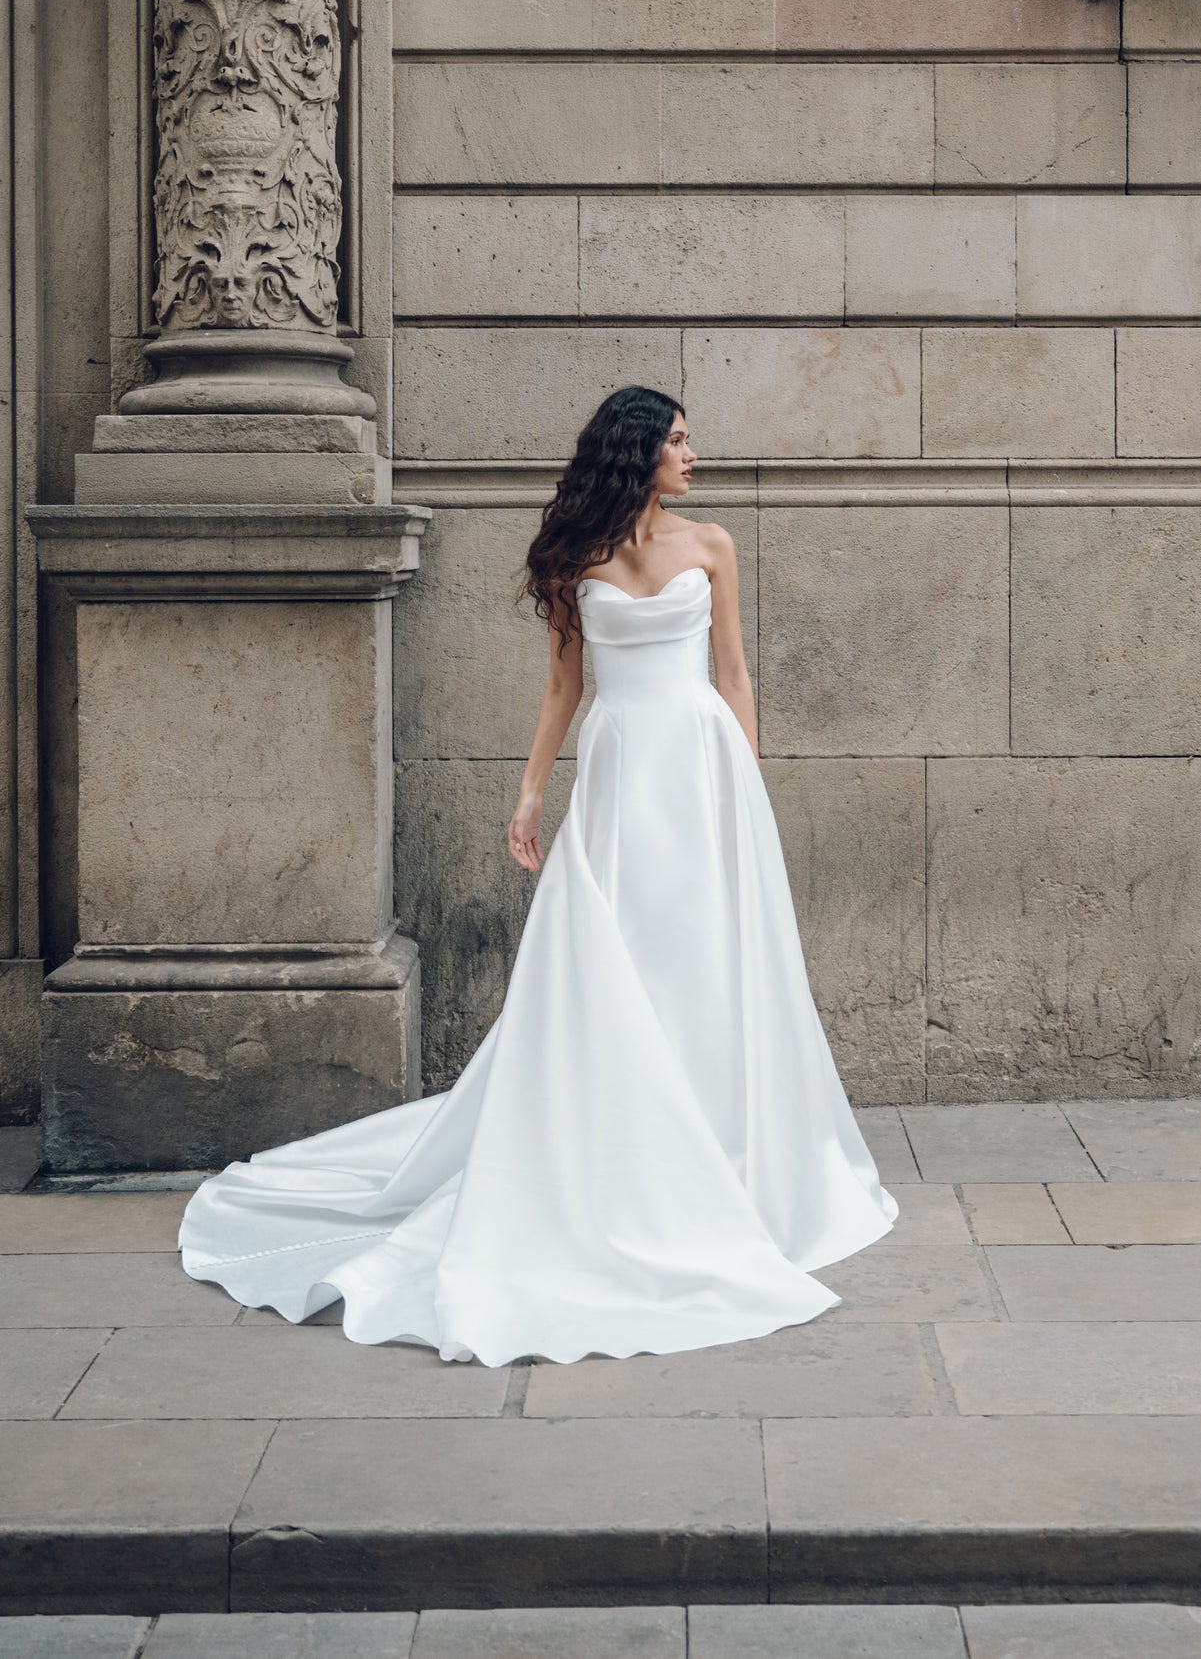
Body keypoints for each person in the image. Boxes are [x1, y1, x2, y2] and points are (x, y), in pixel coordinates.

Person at [178, 386, 897, 1364]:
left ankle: (723, 1163)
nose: (691, 456)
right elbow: (564, 685)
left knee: (704, 965)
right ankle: (619, 1164)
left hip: (700, 770)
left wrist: (749, 792)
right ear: (635, 453)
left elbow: (732, 677)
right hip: (616, 777)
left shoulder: (712, 546)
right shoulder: (573, 559)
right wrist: (528, 794)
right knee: (618, 964)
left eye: (688, 441)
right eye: (676, 442)